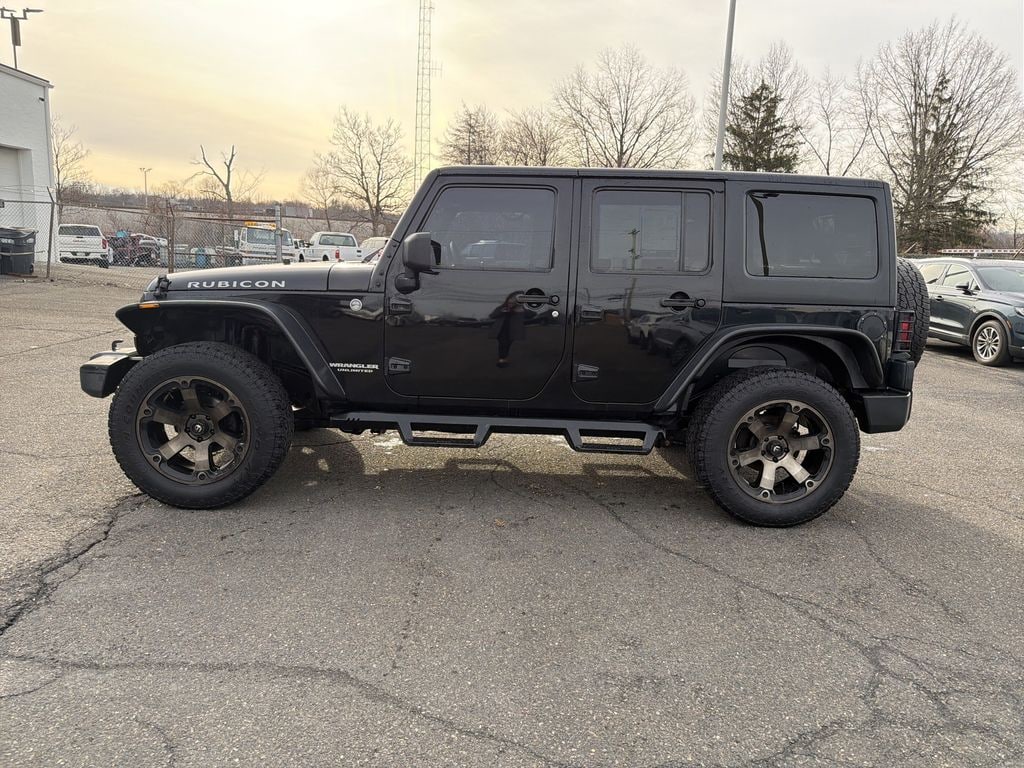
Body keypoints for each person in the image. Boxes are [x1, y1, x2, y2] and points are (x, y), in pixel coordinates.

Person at [488, 292, 530, 368]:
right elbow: (492, 316)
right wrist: (501, 311)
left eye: (513, 301)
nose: (511, 303)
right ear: (507, 300)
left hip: (513, 332)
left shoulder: (519, 309)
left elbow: (532, 315)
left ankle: (504, 357)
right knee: (502, 344)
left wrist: (522, 310)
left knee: (507, 345)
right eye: (510, 301)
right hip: (501, 331)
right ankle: (502, 360)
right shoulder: (501, 308)